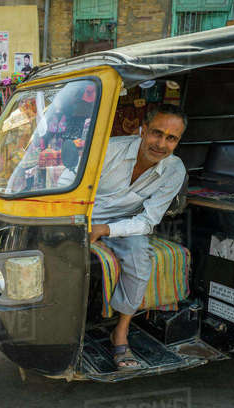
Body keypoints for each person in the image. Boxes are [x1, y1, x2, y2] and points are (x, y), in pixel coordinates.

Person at [89, 104, 187, 370]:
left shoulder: (174, 170)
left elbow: (148, 220)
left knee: (139, 259)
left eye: (171, 138)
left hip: (124, 224)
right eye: (157, 133)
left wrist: (106, 230)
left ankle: (120, 332)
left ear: (178, 141)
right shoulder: (108, 150)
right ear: (142, 131)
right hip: (83, 215)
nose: (161, 144)